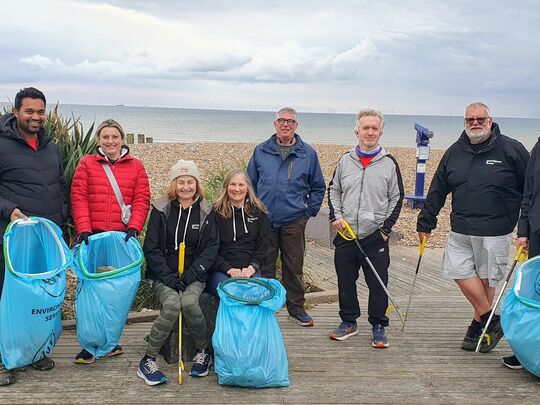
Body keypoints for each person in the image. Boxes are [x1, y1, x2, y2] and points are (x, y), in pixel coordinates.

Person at [417, 102, 529, 353]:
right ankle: (491, 319)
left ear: (490, 121)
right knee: (458, 271)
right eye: (470, 120)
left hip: (496, 228)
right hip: (460, 227)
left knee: (487, 279)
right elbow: (437, 189)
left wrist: (526, 228)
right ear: (464, 122)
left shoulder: (513, 150)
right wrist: (426, 220)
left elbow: (530, 191)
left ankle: (477, 327)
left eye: (480, 119)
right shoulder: (454, 152)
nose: (475, 123)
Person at [0, 87, 67, 385]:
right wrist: (9, 209)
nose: (36, 117)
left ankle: (35, 350)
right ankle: (3, 359)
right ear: (16, 112)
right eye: (29, 111)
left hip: (46, 235)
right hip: (13, 237)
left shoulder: (51, 147)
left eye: (40, 111)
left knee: (39, 295)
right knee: (7, 297)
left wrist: (62, 222)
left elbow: (59, 186)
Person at [70, 118, 150, 364]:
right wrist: (84, 229)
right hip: (92, 237)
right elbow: (79, 197)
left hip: (121, 239)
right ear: (99, 140)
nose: (110, 141)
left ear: (122, 139)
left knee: (116, 292)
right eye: (105, 137)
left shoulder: (136, 166)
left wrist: (134, 226)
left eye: (115, 137)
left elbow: (142, 198)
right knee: (90, 291)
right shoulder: (86, 164)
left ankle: (111, 341)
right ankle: (89, 344)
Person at [137, 160, 218, 386]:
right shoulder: (161, 209)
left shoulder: (205, 211)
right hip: (164, 275)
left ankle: (203, 352)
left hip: (193, 276)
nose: (185, 187)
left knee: (191, 303)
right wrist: (168, 277)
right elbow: (151, 248)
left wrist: (191, 275)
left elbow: (211, 249)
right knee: (173, 304)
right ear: (174, 184)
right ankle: (148, 359)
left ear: (196, 184)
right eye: (180, 182)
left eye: (190, 182)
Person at [328, 109, 404, 347]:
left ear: (380, 132)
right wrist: (336, 216)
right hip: (346, 234)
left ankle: (379, 325)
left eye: (374, 128)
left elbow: (397, 197)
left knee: (378, 282)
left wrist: (385, 230)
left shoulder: (389, 163)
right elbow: (334, 190)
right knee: (345, 280)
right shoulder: (345, 160)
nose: (369, 132)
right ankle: (348, 321)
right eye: (365, 128)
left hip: (375, 237)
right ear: (357, 131)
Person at [247, 107, 325, 327]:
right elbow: (249, 184)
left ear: (296, 126)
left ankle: (296, 309)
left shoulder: (307, 153)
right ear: (275, 124)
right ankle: (267, 308)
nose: (286, 125)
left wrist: (308, 211)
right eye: (282, 120)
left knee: (293, 266)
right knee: (266, 266)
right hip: (265, 220)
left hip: (293, 220)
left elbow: (318, 187)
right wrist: (253, 211)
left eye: (290, 122)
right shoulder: (261, 150)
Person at [502, 137, 540, 369]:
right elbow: (528, 192)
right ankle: (529, 351)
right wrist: (523, 230)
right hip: (537, 231)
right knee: (534, 294)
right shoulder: (538, 146)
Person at [206, 169, 270, 296]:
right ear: (226, 187)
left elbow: (263, 247)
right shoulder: (214, 212)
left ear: (247, 188)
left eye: (241, 185)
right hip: (222, 270)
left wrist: (252, 268)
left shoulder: (259, 212)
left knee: (254, 292)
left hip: (250, 269)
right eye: (233, 184)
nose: (237, 189)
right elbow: (209, 248)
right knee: (232, 292)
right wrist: (228, 269)